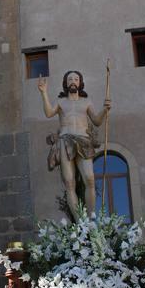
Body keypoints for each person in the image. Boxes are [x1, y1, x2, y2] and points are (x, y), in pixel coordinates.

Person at [38, 70, 110, 218]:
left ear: (80, 82)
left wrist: (105, 110)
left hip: (83, 140)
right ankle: (80, 223)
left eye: (76, 79)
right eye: (70, 79)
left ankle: (91, 218)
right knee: (69, 182)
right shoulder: (61, 102)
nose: (73, 81)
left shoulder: (86, 101)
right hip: (65, 141)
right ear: (65, 83)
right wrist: (43, 93)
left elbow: (96, 121)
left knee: (89, 178)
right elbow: (49, 113)